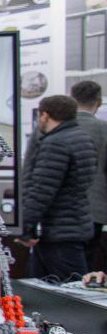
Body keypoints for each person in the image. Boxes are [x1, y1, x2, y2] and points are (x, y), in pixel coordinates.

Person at [17, 94, 97, 282]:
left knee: (72, 290)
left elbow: (41, 191)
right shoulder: (82, 137)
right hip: (74, 223)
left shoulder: (55, 143)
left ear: (45, 115)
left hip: (60, 231)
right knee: (36, 287)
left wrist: (24, 228)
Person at [70, 80, 107, 270]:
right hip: (95, 209)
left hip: (59, 213)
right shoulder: (104, 129)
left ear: (72, 99)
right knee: (88, 267)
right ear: (98, 102)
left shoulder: (57, 128)